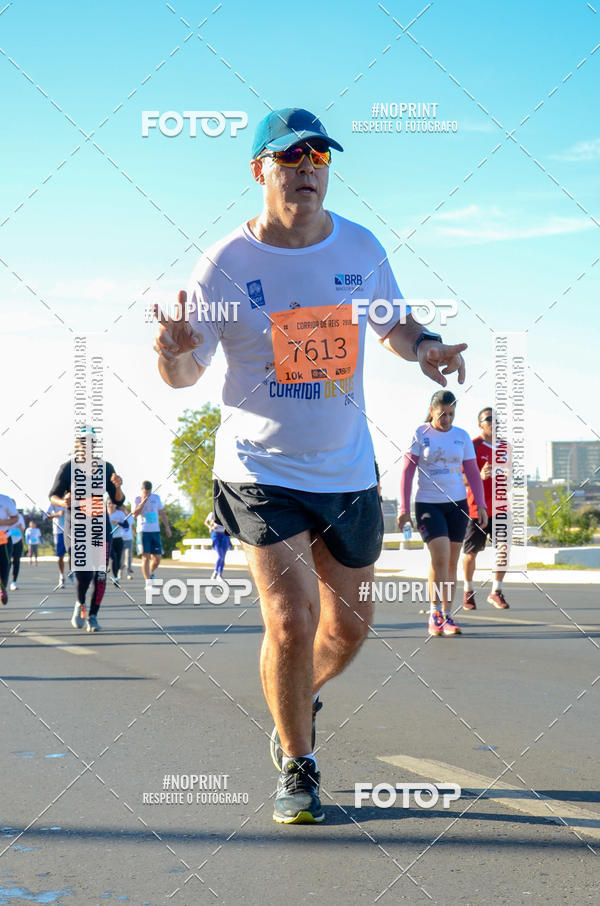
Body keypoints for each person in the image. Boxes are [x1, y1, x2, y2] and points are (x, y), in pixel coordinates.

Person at [153, 107, 469, 824]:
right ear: (260, 170)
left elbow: (395, 324)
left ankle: (294, 699)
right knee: (290, 624)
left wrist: (428, 351)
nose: (306, 169)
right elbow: (186, 373)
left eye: (319, 158)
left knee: (348, 629)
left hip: (346, 470)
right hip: (259, 467)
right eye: (291, 158)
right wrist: (173, 352)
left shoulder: (358, 246)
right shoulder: (225, 265)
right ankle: (299, 764)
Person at [397, 390, 487, 638]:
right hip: (428, 504)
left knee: (452, 562)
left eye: (451, 414)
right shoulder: (421, 434)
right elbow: (407, 472)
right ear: (432, 410)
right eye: (442, 414)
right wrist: (404, 509)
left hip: (456, 505)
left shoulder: (462, 436)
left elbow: (472, 472)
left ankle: (447, 615)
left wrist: (481, 505)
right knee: (441, 556)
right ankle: (434, 612)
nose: (446, 419)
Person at [49, 426, 125, 632]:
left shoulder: (106, 467)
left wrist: (117, 486)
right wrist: (64, 502)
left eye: (91, 441)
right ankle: (80, 603)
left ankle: (93, 616)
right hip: (76, 529)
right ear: (77, 444)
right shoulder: (68, 468)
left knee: (100, 575)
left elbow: (118, 499)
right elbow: (53, 495)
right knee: (84, 574)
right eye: (83, 441)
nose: (87, 445)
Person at [462, 407, 510, 610]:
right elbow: (461, 478)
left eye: (496, 419)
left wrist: (505, 476)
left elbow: (510, 476)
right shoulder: (472, 446)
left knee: (504, 550)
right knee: (471, 554)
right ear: (480, 423)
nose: (493, 422)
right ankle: (468, 590)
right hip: (476, 508)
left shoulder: (505, 447)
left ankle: (496, 591)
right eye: (488, 419)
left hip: (500, 507)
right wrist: (479, 477)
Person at [132, 481, 171, 591]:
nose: (147, 493)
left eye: (149, 492)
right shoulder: (137, 499)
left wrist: (167, 527)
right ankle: (148, 583)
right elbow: (134, 514)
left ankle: (151, 572)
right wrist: (143, 502)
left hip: (155, 531)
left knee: (157, 558)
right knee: (146, 557)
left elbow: (162, 512)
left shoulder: (156, 498)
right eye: (145, 492)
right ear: (142, 490)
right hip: (143, 531)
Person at [0, 494, 18, 604]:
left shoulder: (5, 499)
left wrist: (2, 523)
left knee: (4, 566)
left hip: (4, 538)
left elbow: (15, 518)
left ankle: (3, 589)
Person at [204, 510, 232, 580]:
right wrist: (211, 527)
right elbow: (206, 522)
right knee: (220, 555)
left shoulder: (228, 512)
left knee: (223, 556)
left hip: (225, 535)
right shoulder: (213, 513)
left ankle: (220, 574)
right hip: (216, 534)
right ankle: (215, 571)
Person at [46, 503, 68, 588]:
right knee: (60, 556)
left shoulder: (71, 500)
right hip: (59, 532)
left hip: (71, 530)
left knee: (73, 554)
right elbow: (46, 516)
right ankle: (61, 576)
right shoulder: (54, 502)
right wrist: (57, 514)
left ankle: (72, 572)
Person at [107, 501, 127, 587]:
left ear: (115, 505)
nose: (111, 505)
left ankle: (116, 571)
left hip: (118, 539)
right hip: (108, 539)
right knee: (113, 557)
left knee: (118, 561)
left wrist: (118, 523)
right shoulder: (103, 514)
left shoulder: (120, 514)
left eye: (112, 503)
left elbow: (126, 525)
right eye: (109, 503)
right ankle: (115, 578)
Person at [8, 510, 26, 591]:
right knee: (6, 562)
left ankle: (14, 582)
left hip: (18, 541)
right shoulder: (4, 516)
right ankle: (3, 581)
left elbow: (23, 530)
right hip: (6, 541)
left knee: (16, 562)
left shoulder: (19, 517)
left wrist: (20, 527)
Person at [119, 508, 134, 581]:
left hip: (129, 539)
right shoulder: (119, 517)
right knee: (121, 557)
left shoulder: (130, 518)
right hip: (120, 540)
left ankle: (128, 574)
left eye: (126, 510)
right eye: (123, 510)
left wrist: (136, 535)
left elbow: (132, 526)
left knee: (129, 556)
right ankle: (120, 571)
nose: (125, 512)